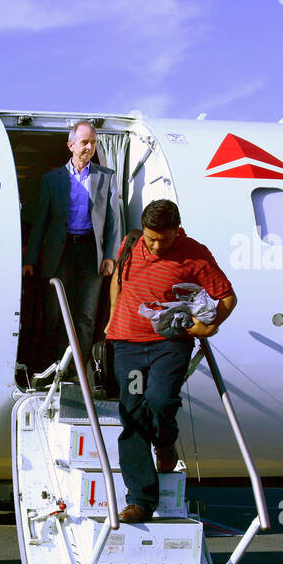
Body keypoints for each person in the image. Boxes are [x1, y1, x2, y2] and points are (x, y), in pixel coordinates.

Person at [105, 199, 237, 523]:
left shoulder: (195, 253)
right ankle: (140, 501)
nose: (155, 245)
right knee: (133, 413)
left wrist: (208, 325)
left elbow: (227, 297)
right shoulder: (131, 243)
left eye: (163, 239)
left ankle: (165, 444)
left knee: (161, 399)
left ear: (177, 231)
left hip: (170, 343)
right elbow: (118, 281)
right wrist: (112, 319)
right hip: (128, 344)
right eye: (151, 239)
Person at [21, 121, 121, 369]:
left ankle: (78, 370)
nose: (90, 147)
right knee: (55, 312)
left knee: (86, 315)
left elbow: (113, 219)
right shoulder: (52, 180)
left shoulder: (106, 177)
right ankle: (50, 366)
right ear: (71, 145)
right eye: (85, 142)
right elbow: (41, 222)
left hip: (91, 253)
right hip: (61, 253)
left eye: (94, 142)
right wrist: (30, 260)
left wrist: (110, 255)